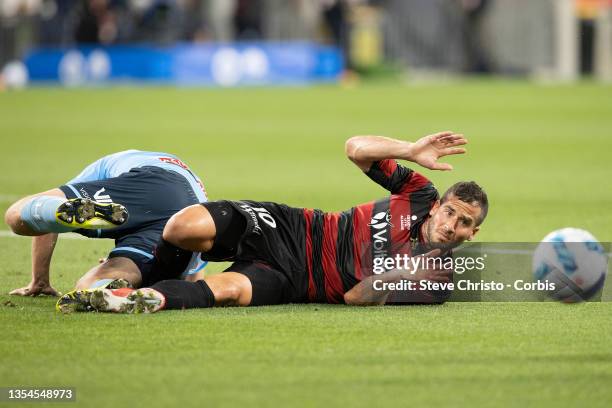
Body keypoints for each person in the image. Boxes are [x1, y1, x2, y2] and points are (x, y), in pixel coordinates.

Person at [58, 131, 488, 313]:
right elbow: (356, 148)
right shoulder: (418, 195)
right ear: (438, 207)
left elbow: (357, 297)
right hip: (290, 227)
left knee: (225, 291)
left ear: (473, 234)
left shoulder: (436, 280)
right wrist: (411, 149)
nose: (452, 225)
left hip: (294, 282)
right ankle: (159, 268)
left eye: (464, 223)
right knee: (182, 228)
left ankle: (133, 300)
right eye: (451, 212)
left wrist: (401, 273)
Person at [4, 150, 208, 299]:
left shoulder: (101, 168)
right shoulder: (191, 184)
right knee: (89, 288)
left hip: (151, 182)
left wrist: (40, 281)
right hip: (187, 211)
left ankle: (78, 210)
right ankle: (114, 289)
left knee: (16, 214)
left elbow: (49, 225)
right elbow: (192, 270)